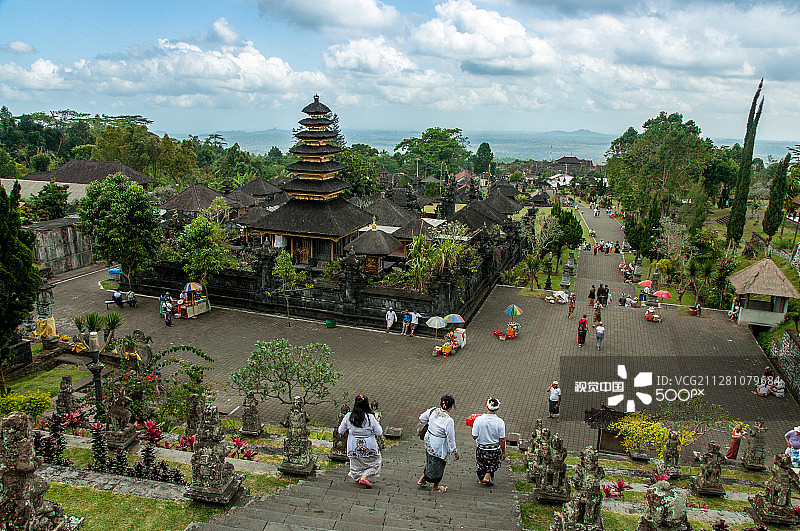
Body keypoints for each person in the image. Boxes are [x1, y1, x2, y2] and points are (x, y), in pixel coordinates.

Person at [337, 394, 383, 488]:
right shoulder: (370, 417)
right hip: (369, 444)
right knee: (375, 462)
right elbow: (379, 432)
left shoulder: (348, 416)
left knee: (355, 465)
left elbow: (340, 431)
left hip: (353, 445)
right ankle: (365, 476)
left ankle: (358, 477)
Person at [418, 395, 459, 493]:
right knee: (438, 466)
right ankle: (435, 487)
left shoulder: (433, 411)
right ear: (451, 407)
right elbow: (450, 437)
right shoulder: (449, 420)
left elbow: (422, 418)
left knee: (429, 461)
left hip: (429, 441)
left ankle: (423, 479)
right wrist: (455, 451)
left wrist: (432, 424)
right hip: (439, 446)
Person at [472, 397, 506, 486]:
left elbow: (474, 436)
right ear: (497, 409)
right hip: (494, 448)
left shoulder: (478, 420)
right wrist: (503, 452)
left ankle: (482, 477)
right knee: (494, 463)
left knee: (481, 463)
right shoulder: (500, 422)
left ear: (486, 406)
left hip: (481, 448)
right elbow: (502, 439)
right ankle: (487, 476)